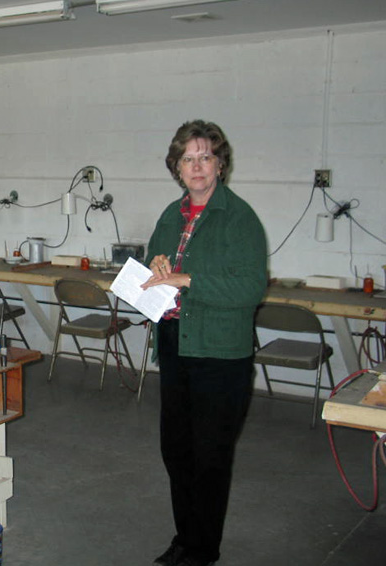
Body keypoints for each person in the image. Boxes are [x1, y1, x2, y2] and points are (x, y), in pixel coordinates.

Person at [142, 120, 267, 566]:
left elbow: (249, 288)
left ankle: (202, 550)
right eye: (187, 159)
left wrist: (186, 278)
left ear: (219, 164)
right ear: (176, 167)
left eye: (205, 157)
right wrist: (154, 263)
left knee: (210, 457)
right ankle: (185, 538)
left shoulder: (239, 218)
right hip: (176, 344)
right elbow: (150, 266)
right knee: (176, 451)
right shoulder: (169, 216)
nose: (196, 166)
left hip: (220, 355)